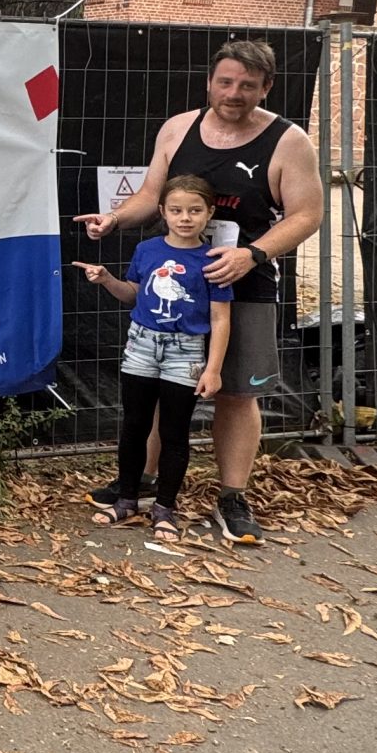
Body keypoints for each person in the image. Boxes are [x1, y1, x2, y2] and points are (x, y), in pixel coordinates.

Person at [73, 37, 323, 545]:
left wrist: (252, 255)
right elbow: (150, 195)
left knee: (237, 393)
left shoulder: (288, 140)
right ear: (209, 82)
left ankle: (232, 497)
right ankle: (142, 482)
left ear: (266, 88)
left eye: (247, 85)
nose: (233, 93)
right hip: (174, 287)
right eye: (225, 82)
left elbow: (307, 214)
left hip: (242, 283)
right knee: (160, 387)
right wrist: (114, 219)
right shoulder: (177, 129)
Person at [76, 174, 232, 544]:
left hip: (186, 352)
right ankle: (127, 499)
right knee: (134, 425)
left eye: (194, 210)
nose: (185, 218)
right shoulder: (146, 250)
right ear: (162, 211)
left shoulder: (214, 260)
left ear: (210, 213)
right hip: (141, 347)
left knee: (174, 432)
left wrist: (213, 369)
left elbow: (220, 318)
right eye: (176, 210)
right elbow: (133, 294)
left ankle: (165, 508)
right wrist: (107, 279)